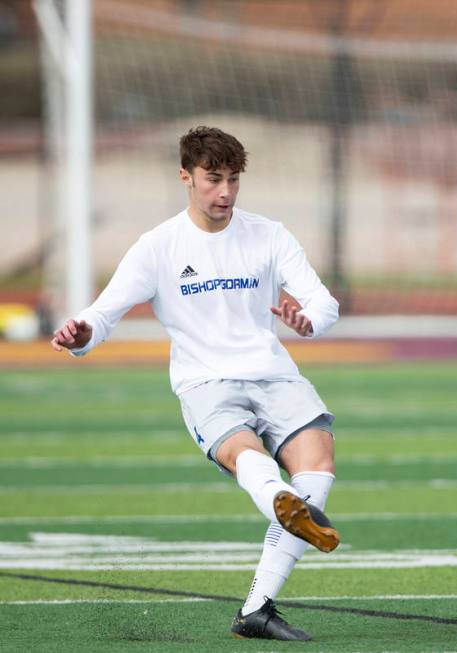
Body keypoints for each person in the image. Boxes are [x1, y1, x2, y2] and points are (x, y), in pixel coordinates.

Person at [51, 126, 341, 642]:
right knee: (248, 455)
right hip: (206, 383)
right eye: (213, 179)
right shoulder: (158, 247)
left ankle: (257, 608)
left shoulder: (268, 234)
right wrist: (80, 334)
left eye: (233, 180)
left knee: (317, 465)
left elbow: (323, 303)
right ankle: (279, 497)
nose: (224, 192)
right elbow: (103, 315)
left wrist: (307, 322)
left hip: (273, 372)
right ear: (185, 177)